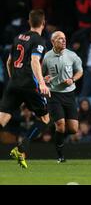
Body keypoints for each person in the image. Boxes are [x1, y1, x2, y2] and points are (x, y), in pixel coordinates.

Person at [0, 10, 51, 169]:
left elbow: (9, 62)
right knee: (45, 119)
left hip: (13, 84)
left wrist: (14, 80)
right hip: (30, 85)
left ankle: (20, 150)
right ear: (43, 23)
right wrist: (42, 83)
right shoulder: (40, 41)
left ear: (29, 22)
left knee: (2, 120)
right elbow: (35, 61)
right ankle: (20, 150)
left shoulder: (18, 38)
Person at [42, 31, 83, 163]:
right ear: (53, 42)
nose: (63, 41)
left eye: (64, 38)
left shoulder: (72, 55)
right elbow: (39, 76)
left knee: (73, 129)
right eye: (60, 39)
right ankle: (60, 155)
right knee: (60, 125)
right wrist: (44, 79)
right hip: (54, 95)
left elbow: (80, 71)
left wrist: (73, 79)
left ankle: (57, 137)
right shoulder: (47, 57)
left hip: (69, 94)